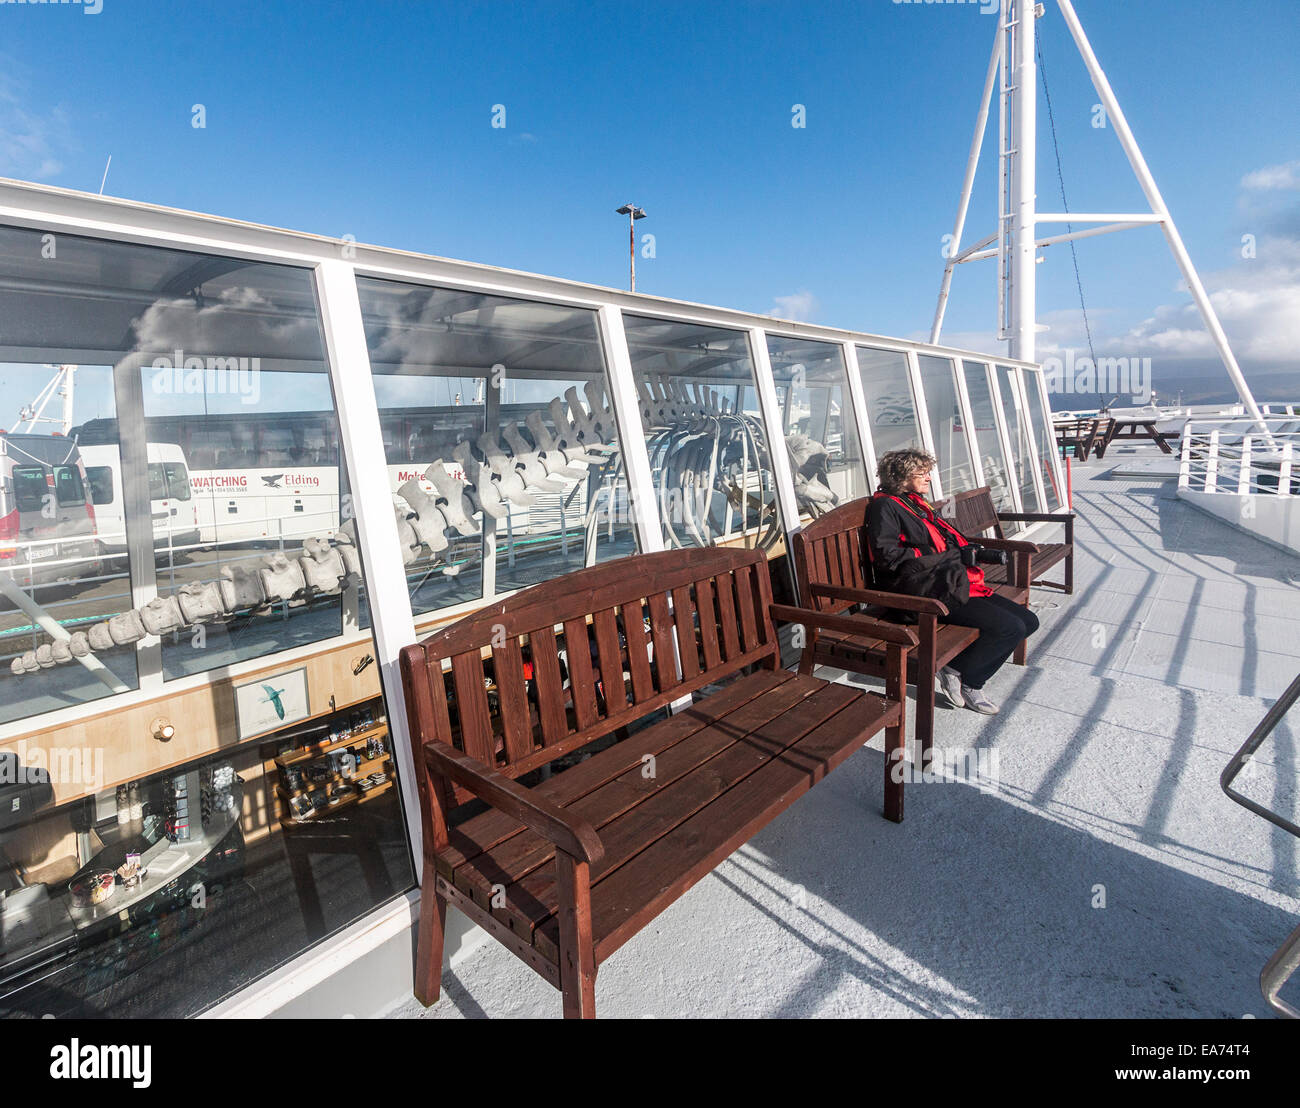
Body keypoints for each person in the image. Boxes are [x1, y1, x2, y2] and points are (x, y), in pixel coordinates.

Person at [864, 448, 1038, 715]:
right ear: (901, 476)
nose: (928, 478)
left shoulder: (913, 503)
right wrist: (941, 555)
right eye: (921, 473)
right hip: (918, 592)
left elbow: (943, 540)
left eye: (928, 472)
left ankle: (955, 667)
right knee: (1009, 627)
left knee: (1028, 622)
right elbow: (887, 557)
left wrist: (966, 552)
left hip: (943, 579)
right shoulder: (885, 506)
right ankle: (972, 684)